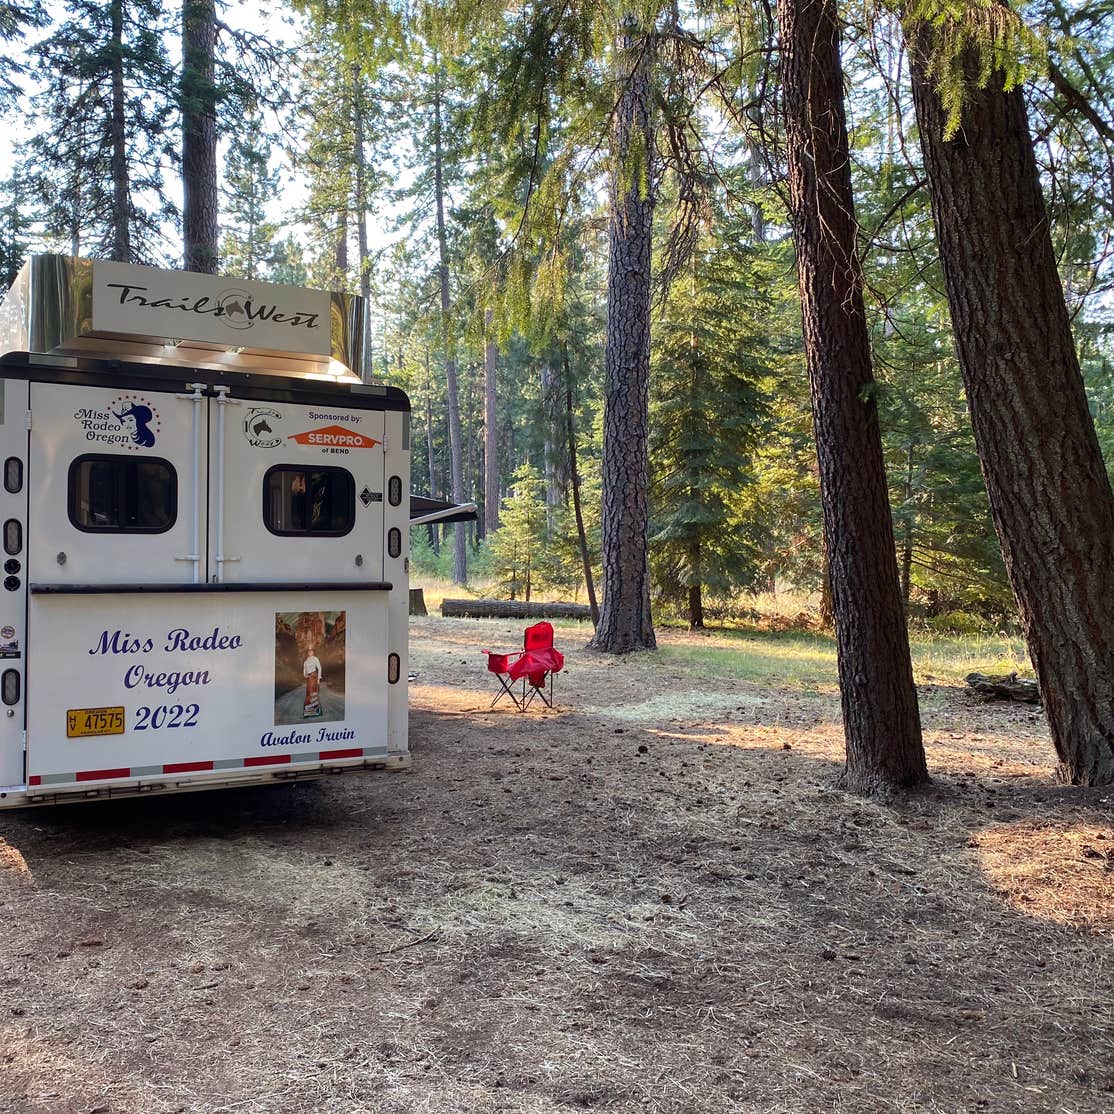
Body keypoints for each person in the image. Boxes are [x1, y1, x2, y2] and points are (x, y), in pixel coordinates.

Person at [303, 646, 322, 714]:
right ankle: (310, 711)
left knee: (313, 692)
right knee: (308, 692)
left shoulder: (315, 659)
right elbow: (304, 669)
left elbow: (319, 668)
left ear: (313, 652)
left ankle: (313, 710)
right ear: (307, 653)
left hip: (314, 675)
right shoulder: (306, 660)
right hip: (309, 677)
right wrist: (305, 674)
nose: (310, 652)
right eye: (309, 651)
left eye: (311, 651)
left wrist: (318, 679)